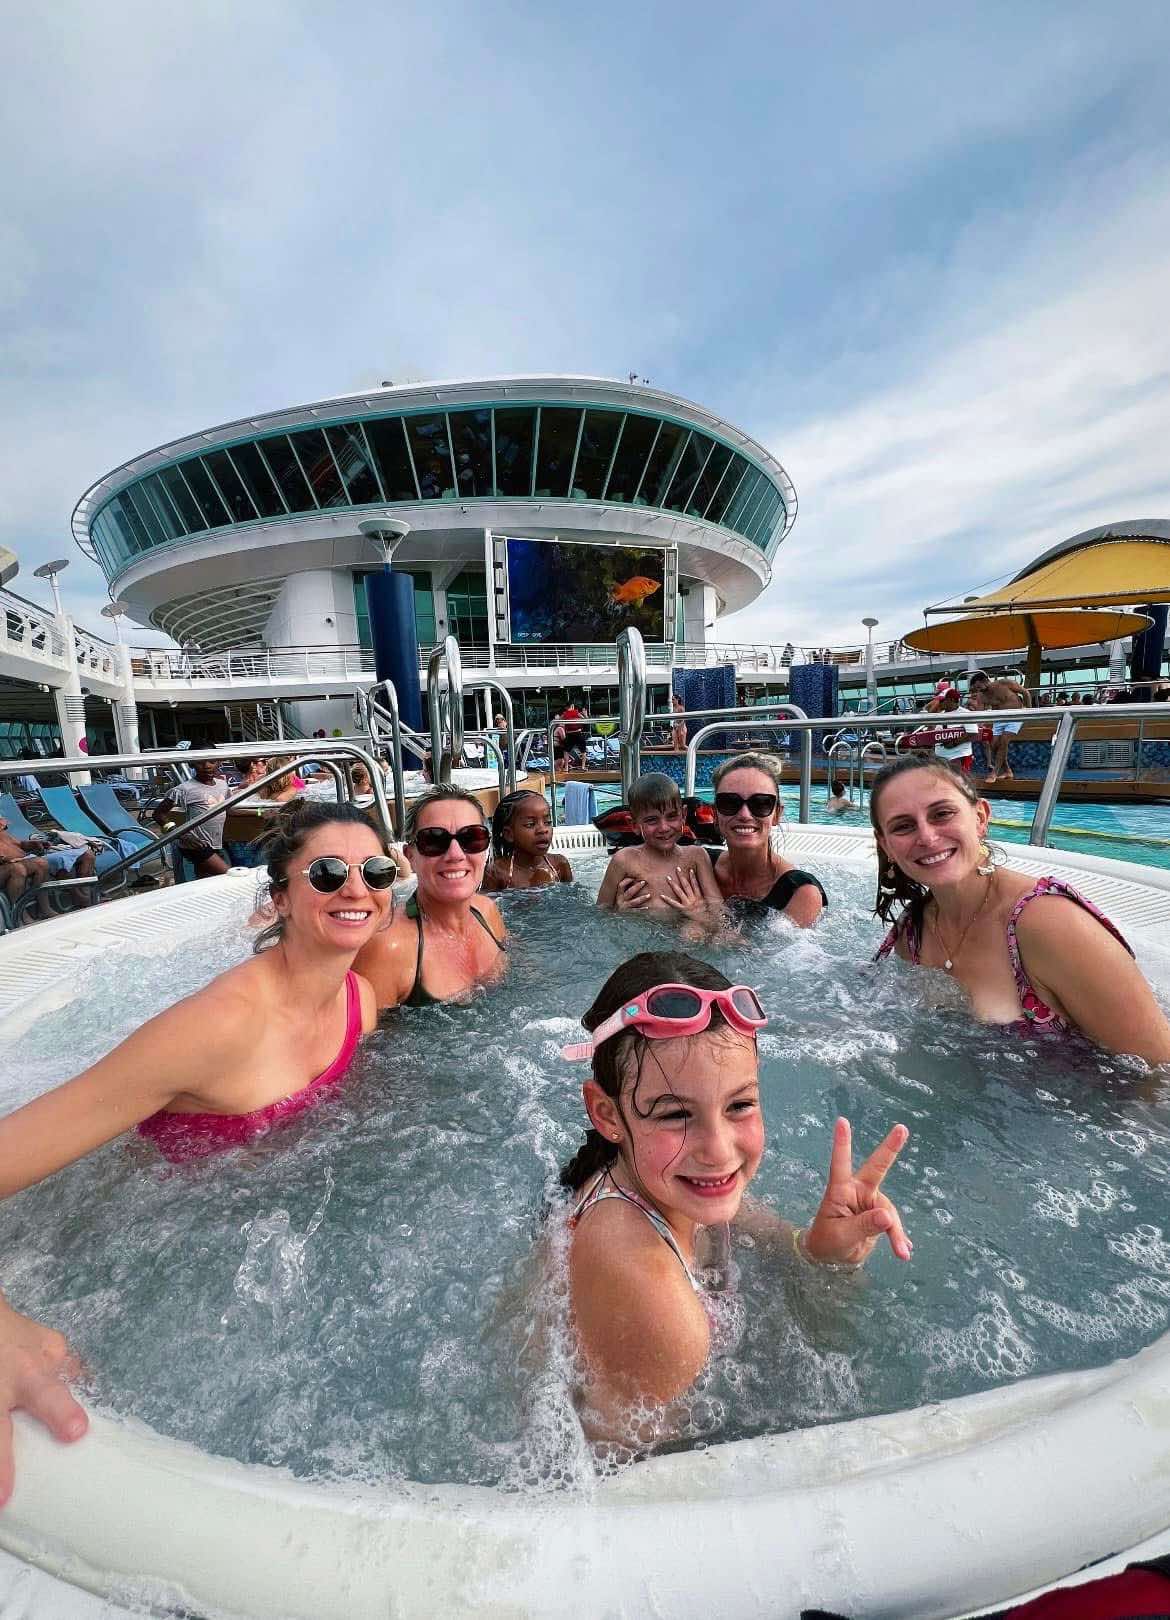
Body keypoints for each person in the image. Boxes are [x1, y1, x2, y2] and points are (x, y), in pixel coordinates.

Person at [558, 952, 911, 1444]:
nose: (719, 1151)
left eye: (739, 1104)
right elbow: (622, 1467)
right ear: (607, 1115)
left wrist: (821, 1252)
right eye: (675, 1114)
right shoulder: (653, 1302)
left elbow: (780, 1243)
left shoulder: (669, 1179)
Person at [0, 802, 392, 1182]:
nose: (357, 890)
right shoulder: (215, 1025)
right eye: (327, 873)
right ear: (281, 899)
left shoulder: (359, 999)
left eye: (376, 871)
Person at [869, 755, 1170, 1062]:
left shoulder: (1051, 924)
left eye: (942, 814)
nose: (927, 837)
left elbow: (1158, 1070)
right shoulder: (912, 934)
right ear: (886, 845)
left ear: (980, 818)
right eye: (903, 826)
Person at [354, 786, 506, 1008]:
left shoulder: (487, 911)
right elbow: (368, 1030)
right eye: (434, 840)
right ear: (410, 856)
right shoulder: (387, 948)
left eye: (471, 838)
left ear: (486, 849)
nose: (455, 854)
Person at [709, 754, 826, 926]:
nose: (744, 815)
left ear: (777, 814)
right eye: (729, 802)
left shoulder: (800, 893)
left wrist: (700, 915)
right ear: (714, 814)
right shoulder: (700, 864)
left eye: (761, 803)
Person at [595, 773, 723, 924]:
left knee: (693, 931)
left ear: (683, 815)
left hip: (685, 929)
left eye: (672, 816)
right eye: (652, 820)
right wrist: (619, 914)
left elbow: (719, 912)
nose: (664, 828)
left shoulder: (696, 856)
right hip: (639, 932)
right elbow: (599, 915)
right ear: (634, 825)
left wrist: (699, 914)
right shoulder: (624, 860)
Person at [154, 757, 231, 878]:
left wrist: (258, 811)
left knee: (205, 879)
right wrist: (182, 835)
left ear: (219, 763)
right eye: (200, 762)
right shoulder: (185, 789)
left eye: (212, 761)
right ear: (191, 764)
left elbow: (228, 808)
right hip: (195, 844)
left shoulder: (223, 785)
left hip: (216, 843)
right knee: (229, 875)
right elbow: (159, 814)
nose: (207, 766)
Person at [482, 790, 572, 892]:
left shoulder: (559, 865)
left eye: (547, 822)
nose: (543, 830)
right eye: (530, 824)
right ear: (509, 834)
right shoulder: (497, 873)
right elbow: (484, 901)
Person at [968, 674, 1027, 784]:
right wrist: (979, 726)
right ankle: (1008, 771)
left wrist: (1029, 710)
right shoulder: (981, 696)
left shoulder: (1004, 683)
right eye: (976, 688)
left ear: (985, 680)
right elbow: (980, 715)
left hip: (1016, 715)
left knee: (1004, 741)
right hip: (999, 718)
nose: (978, 690)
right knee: (993, 745)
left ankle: (994, 772)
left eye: (979, 686)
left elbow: (1025, 693)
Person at [0, 816, 52, 920]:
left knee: (41, 863)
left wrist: (33, 844)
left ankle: (44, 909)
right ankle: (19, 915)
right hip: (6, 866)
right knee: (17, 869)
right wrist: (5, 859)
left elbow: (19, 844)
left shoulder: (2, 833)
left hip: (10, 864)